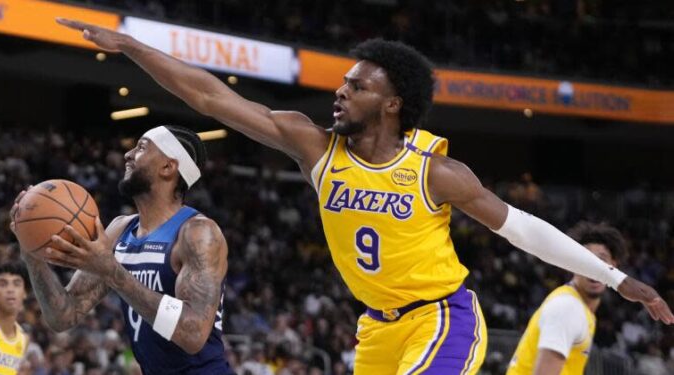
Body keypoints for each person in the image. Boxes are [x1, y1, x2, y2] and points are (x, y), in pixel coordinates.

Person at [56, 18, 674, 374]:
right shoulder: (316, 148)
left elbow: (523, 229)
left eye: (357, 86)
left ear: (392, 102)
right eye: (343, 82)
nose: (341, 92)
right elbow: (216, 99)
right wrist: (134, 48)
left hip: (442, 317)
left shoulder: (434, 170)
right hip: (375, 331)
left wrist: (617, 280)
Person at [11, 125, 233, 374]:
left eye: (141, 147)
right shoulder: (119, 230)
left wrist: (112, 272)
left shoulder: (198, 233)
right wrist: (32, 251)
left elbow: (192, 334)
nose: (127, 154)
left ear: (168, 167)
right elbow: (63, 316)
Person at [507, 222, 628, 375]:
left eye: (602, 260)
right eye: (587, 260)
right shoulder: (568, 307)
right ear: (572, 264)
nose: (595, 268)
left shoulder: (581, 308)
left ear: (614, 267)